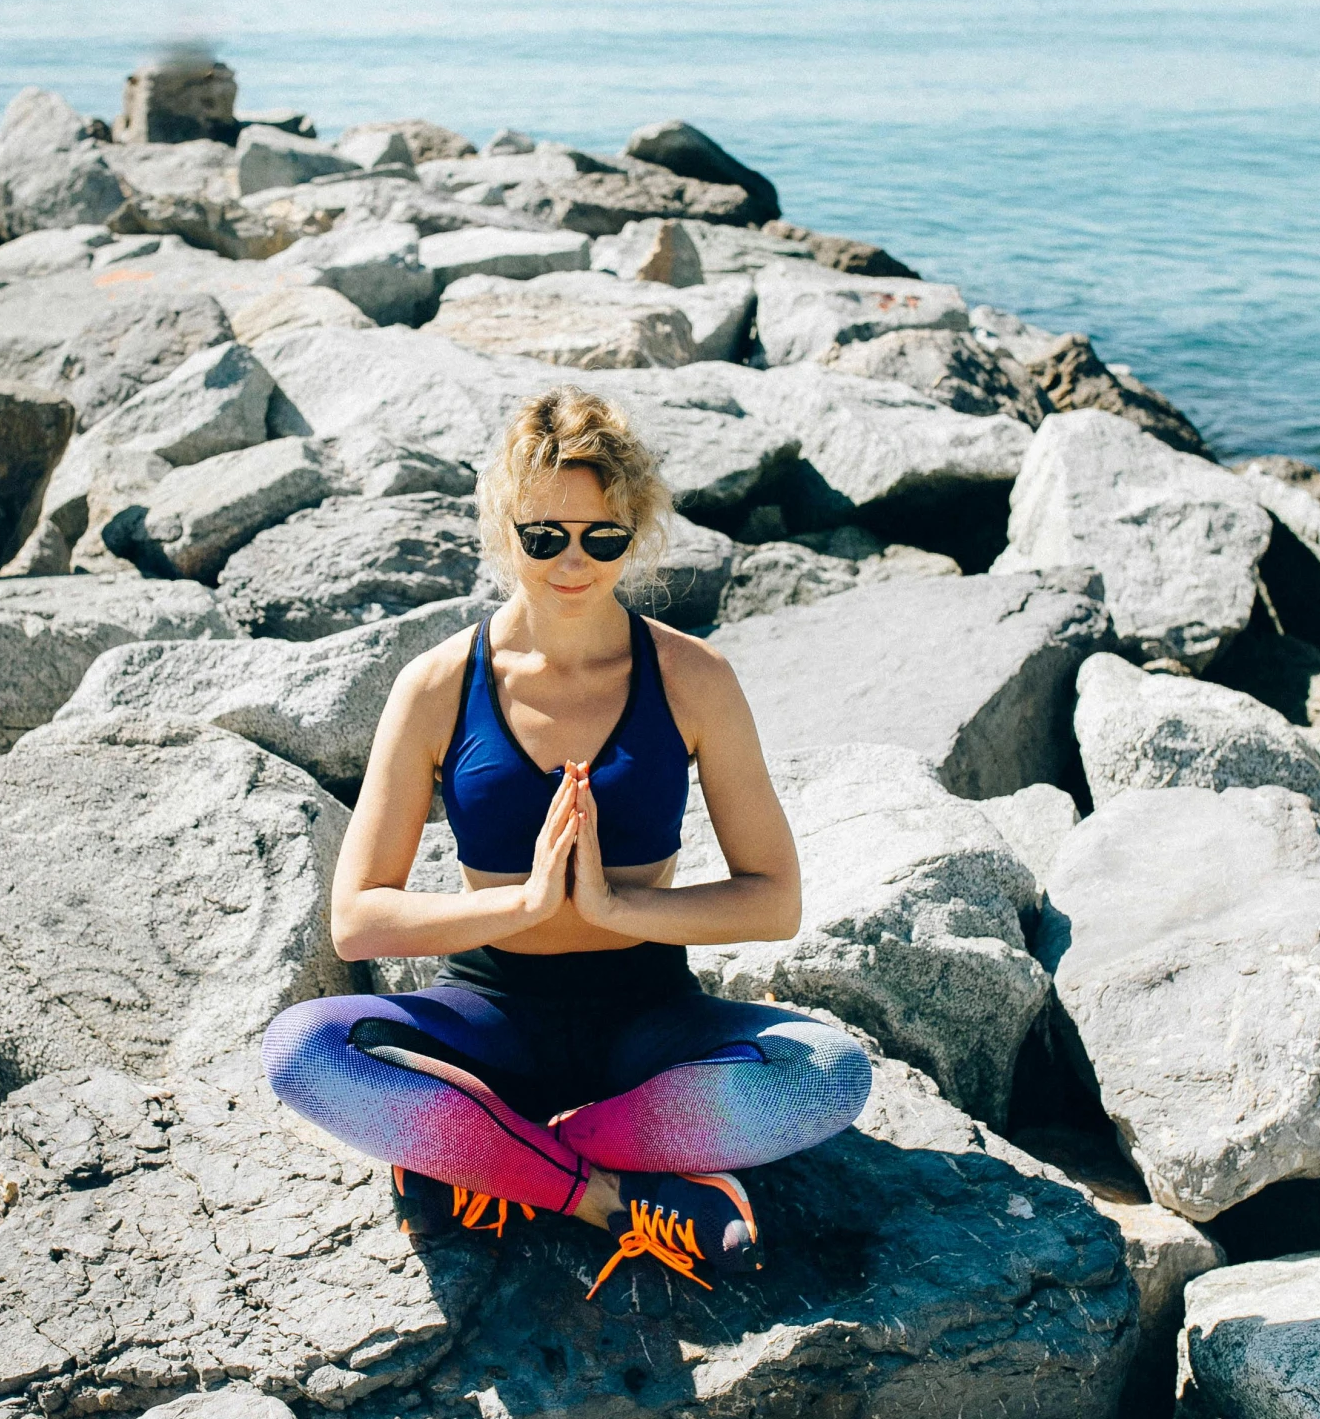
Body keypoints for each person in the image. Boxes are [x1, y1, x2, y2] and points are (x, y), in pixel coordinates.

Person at [262, 386, 871, 1295]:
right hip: (491, 1012)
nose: (571, 561)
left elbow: (773, 898)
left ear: (637, 530)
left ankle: (483, 1157)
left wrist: (616, 906)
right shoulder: (436, 686)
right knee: (298, 1053)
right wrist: (522, 904)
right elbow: (358, 921)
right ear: (505, 531)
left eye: (602, 537)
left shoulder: (692, 678)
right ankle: (607, 1198)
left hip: (648, 1017)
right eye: (544, 535)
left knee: (831, 1073)